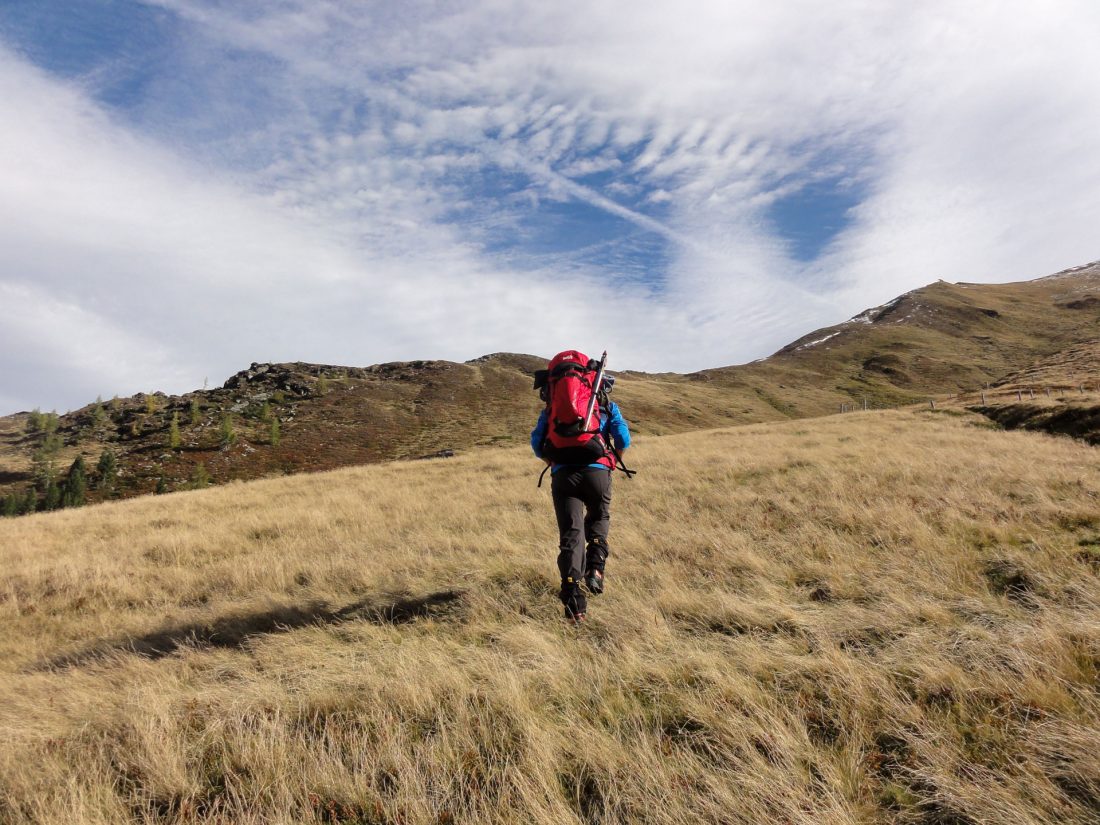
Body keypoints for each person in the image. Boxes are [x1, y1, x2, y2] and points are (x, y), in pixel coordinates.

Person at [531, 365, 631, 623]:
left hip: (563, 476)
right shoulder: (606, 407)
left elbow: (536, 443)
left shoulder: (552, 411)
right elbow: (623, 438)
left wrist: (552, 463)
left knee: (570, 534)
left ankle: (574, 602)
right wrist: (611, 461)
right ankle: (596, 569)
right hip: (597, 472)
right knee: (599, 517)